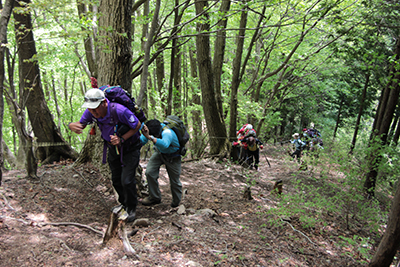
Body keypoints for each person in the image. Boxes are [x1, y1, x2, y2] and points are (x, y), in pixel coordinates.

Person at [68, 88, 141, 222]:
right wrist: (71, 125)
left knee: (127, 180)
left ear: (104, 103)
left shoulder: (119, 110)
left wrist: (122, 139)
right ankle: (123, 204)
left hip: (130, 147)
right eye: (90, 109)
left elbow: (137, 125)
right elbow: (81, 125)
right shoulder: (92, 112)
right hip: (113, 148)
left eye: (95, 109)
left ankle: (131, 208)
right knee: (116, 179)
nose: (93, 112)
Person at [140, 119, 182, 208]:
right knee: (149, 172)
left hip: (173, 156)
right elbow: (141, 141)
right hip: (159, 153)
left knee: (174, 181)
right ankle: (154, 197)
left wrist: (150, 137)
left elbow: (165, 144)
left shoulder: (167, 132)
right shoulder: (151, 130)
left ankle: (176, 203)